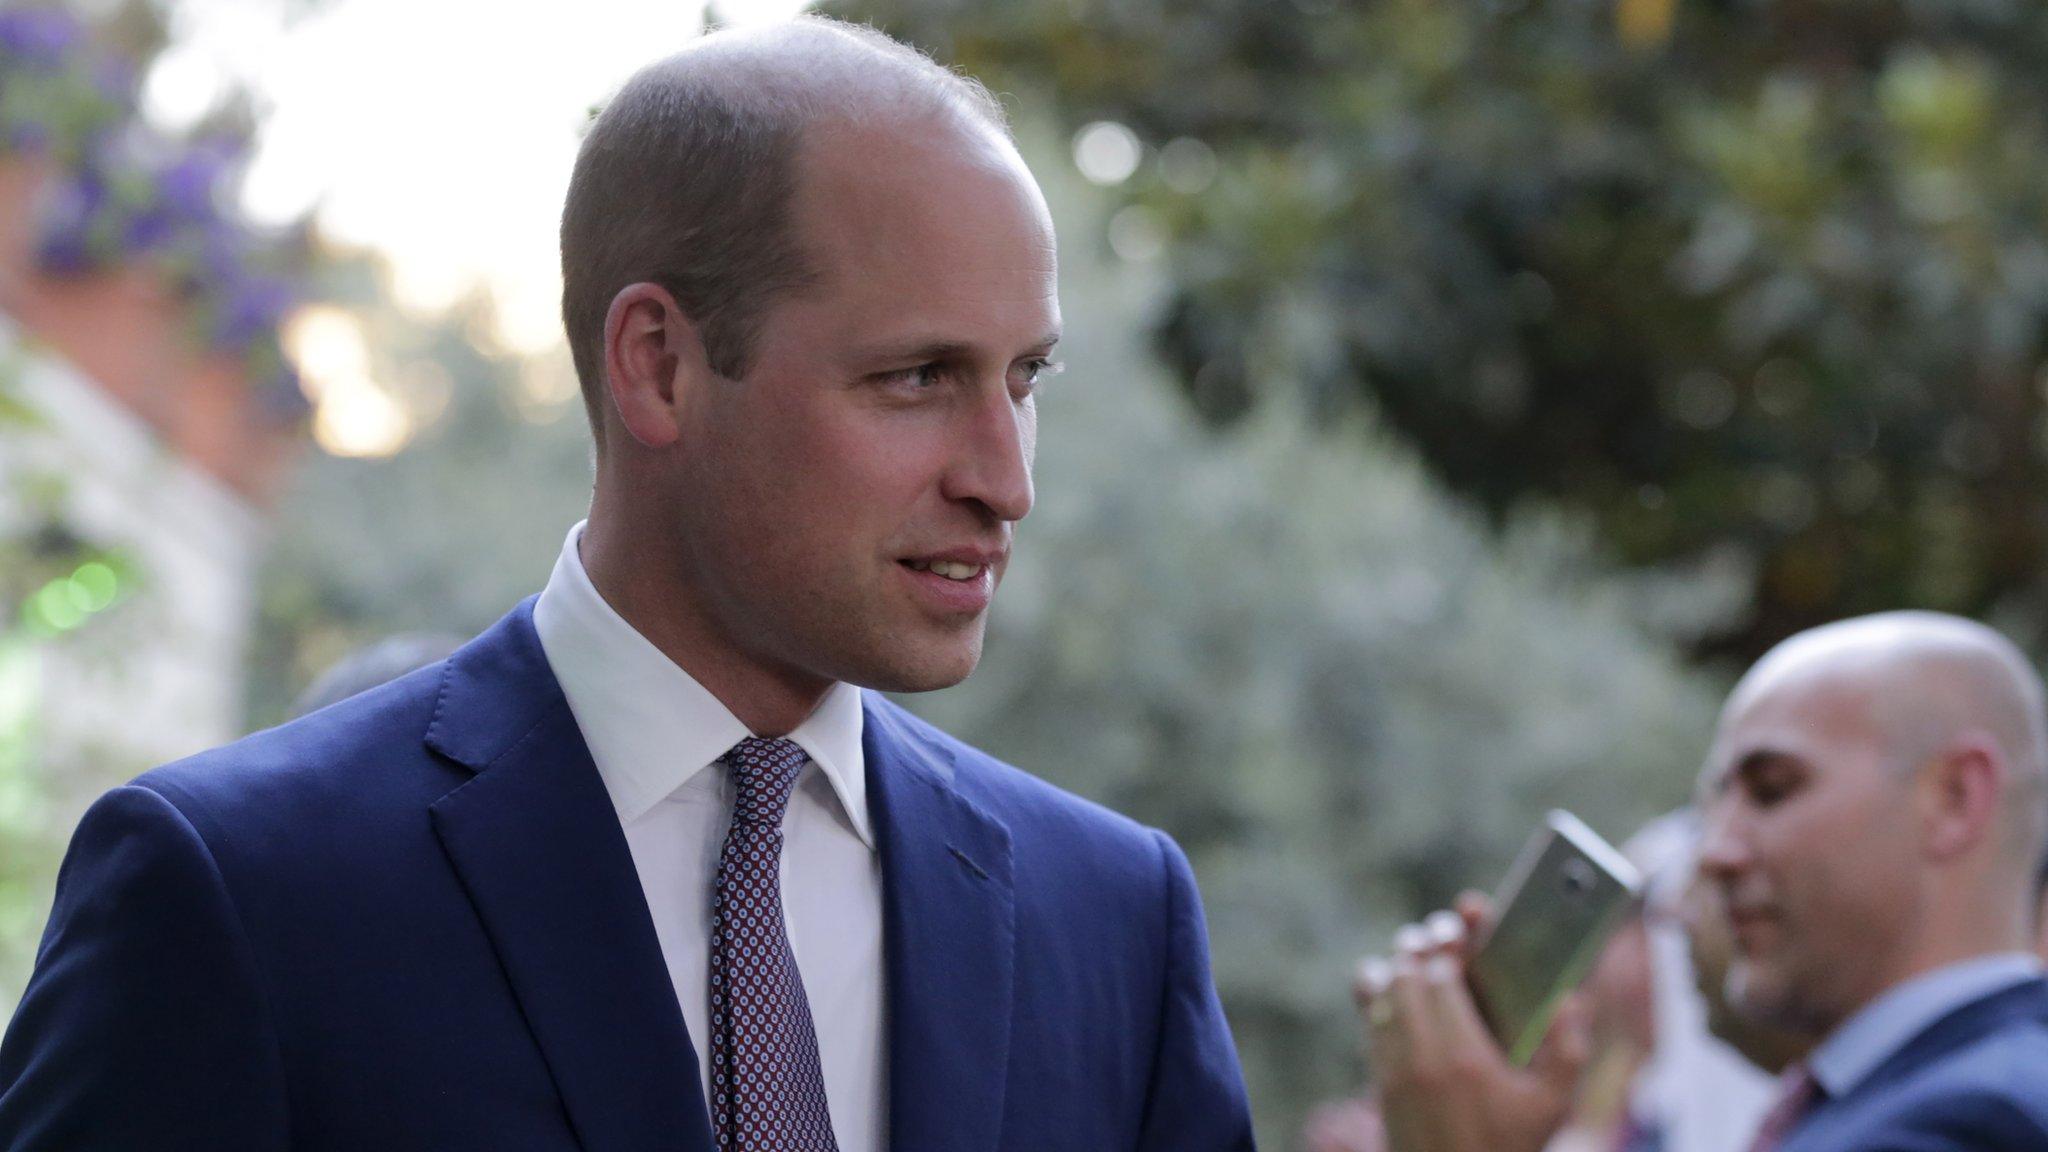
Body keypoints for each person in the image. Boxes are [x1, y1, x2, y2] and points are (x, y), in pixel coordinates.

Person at [0, 19, 1254, 1151]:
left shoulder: (1112, 924)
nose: (1004, 479)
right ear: (658, 366)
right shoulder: (240, 892)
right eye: (918, 376)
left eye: (1024, 378)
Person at [1355, 610, 2048, 1152]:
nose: (1712, 855)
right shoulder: (1910, 1093)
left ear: (1954, 798)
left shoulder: (1975, 1122)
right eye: (1713, 806)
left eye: (1772, 790)